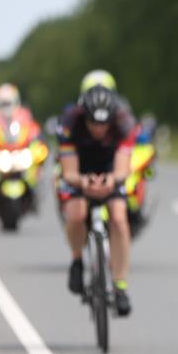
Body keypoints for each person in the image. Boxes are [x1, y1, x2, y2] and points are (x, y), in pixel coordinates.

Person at [56, 78, 136, 316]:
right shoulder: (69, 122)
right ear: (84, 116)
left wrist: (112, 180)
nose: (99, 129)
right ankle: (77, 260)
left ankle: (120, 285)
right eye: (93, 123)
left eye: (104, 124)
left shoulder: (124, 123)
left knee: (119, 218)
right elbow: (69, 172)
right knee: (76, 213)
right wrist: (83, 182)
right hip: (80, 169)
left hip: (110, 167)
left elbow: (123, 169)